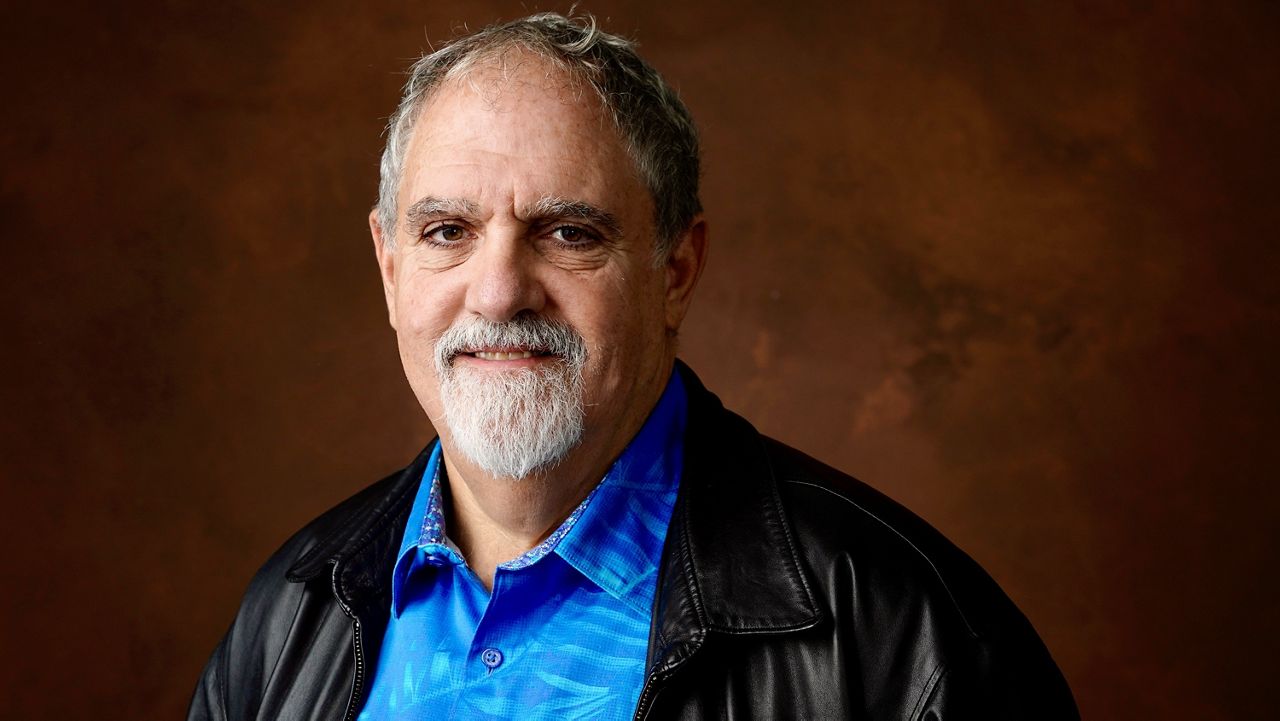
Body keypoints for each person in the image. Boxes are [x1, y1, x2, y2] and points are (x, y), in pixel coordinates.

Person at [188, 12, 1078, 721]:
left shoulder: (907, 636)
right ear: (391, 270)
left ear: (675, 272)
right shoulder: (289, 612)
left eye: (568, 233)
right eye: (447, 232)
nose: (498, 293)